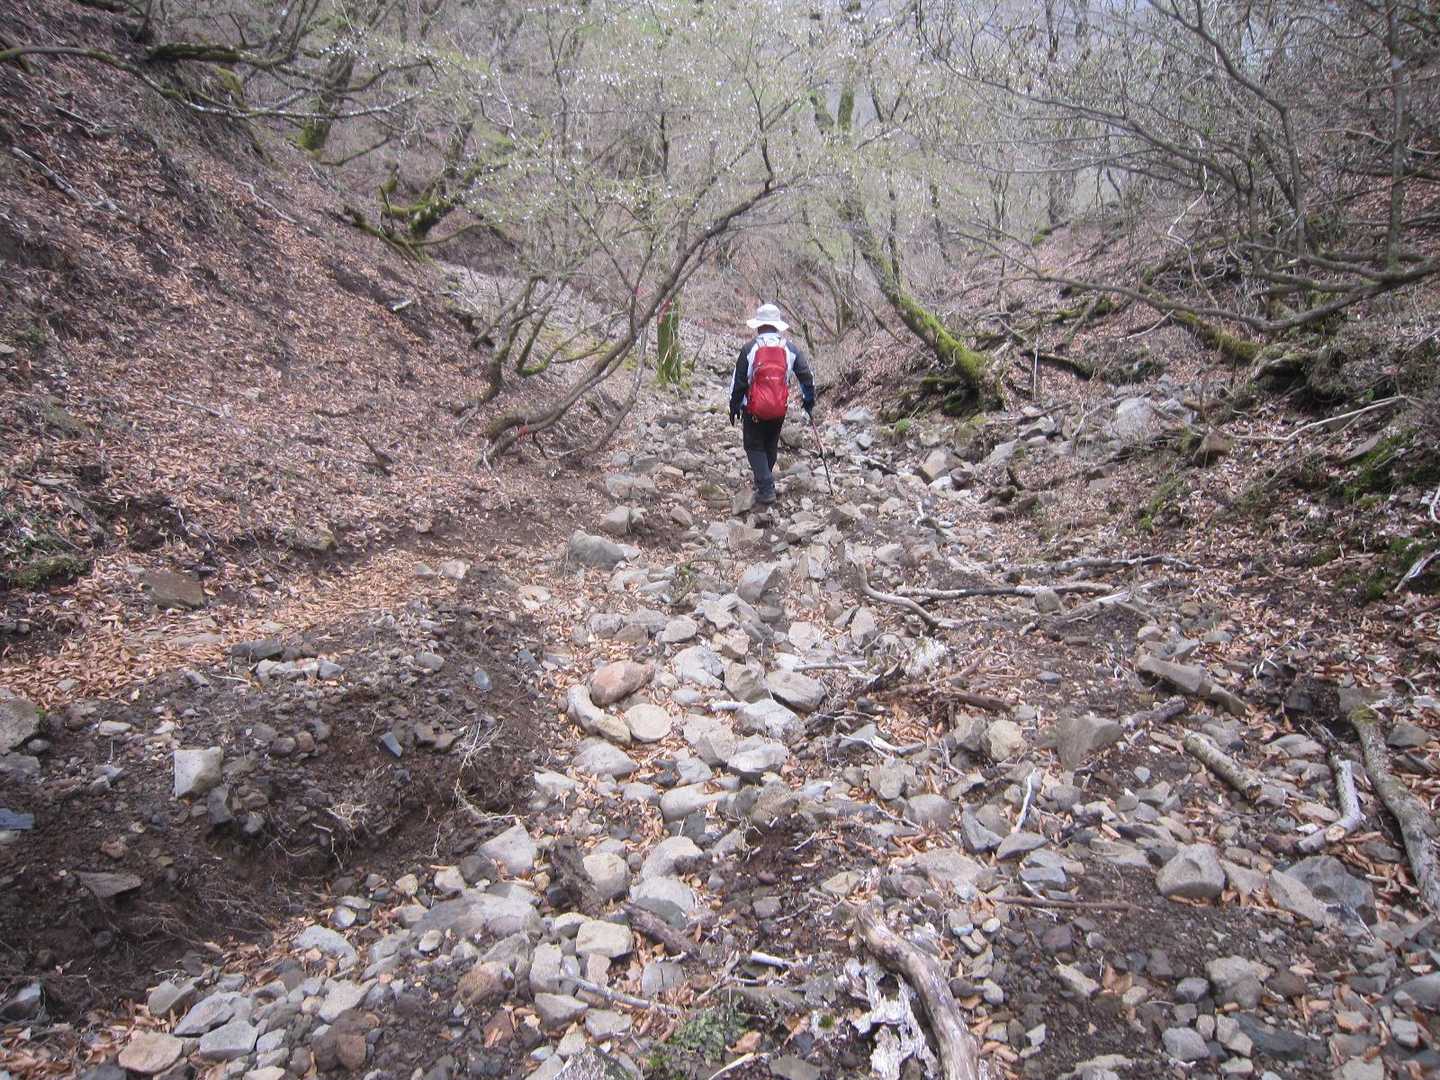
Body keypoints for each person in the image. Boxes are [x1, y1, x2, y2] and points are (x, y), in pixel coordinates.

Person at [728, 302, 816, 505]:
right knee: (770, 445)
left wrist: (734, 406)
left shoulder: (750, 348)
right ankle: (764, 481)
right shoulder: (790, 349)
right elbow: (806, 377)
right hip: (778, 408)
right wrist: (809, 401)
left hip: (754, 409)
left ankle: (766, 488)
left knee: (753, 446)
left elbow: (739, 382)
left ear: (759, 325)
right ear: (777, 326)